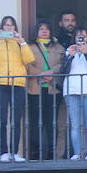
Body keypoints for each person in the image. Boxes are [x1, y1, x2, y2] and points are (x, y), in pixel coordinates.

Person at [0, 16, 35, 162]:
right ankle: (3, 153)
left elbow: (29, 60)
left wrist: (22, 42)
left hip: (18, 84)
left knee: (16, 120)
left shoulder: (19, 43)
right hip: (0, 84)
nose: (9, 28)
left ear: (15, 28)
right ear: (1, 28)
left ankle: (14, 152)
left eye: (11, 25)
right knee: (1, 120)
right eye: (6, 25)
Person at [59, 28, 87, 160]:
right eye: (78, 36)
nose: (81, 38)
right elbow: (63, 72)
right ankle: (77, 153)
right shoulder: (68, 52)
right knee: (75, 124)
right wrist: (70, 56)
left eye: (83, 36)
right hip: (72, 91)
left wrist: (86, 53)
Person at [25, 20, 63, 161]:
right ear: (36, 31)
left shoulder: (59, 47)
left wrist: (51, 72)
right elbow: (26, 65)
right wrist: (41, 74)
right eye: (41, 29)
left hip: (53, 90)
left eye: (47, 29)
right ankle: (37, 153)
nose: (44, 31)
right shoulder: (29, 47)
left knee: (51, 122)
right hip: (35, 89)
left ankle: (52, 154)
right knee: (36, 122)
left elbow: (63, 64)